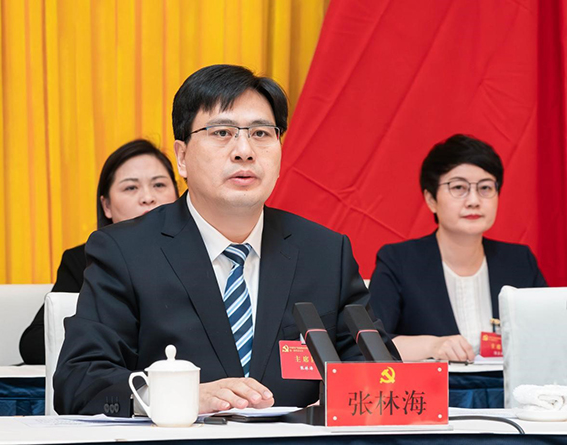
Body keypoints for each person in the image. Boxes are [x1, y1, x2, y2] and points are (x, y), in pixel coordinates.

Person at [53, 64, 399, 417]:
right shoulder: (126, 252)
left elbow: (384, 375)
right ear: (182, 157)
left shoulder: (325, 253)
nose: (244, 150)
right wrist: (181, 397)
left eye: (261, 133)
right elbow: (79, 381)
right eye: (222, 132)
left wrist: (343, 401)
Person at [369, 134, 546, 362]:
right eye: (459, 187)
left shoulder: (519, 261)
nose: (473, 201)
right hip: (436, 384)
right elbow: (370, 342)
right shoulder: (399, 261)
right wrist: (432, 346)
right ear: (431, 199)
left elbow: (550, 334)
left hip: (508, 384)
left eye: (485, 188)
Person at [19, 140, 179, 364]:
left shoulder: (202, 254)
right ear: (107, 206)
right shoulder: (86, 259)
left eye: (159, 185)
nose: (147, 197)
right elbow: (35, 343)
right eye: (131, 188)